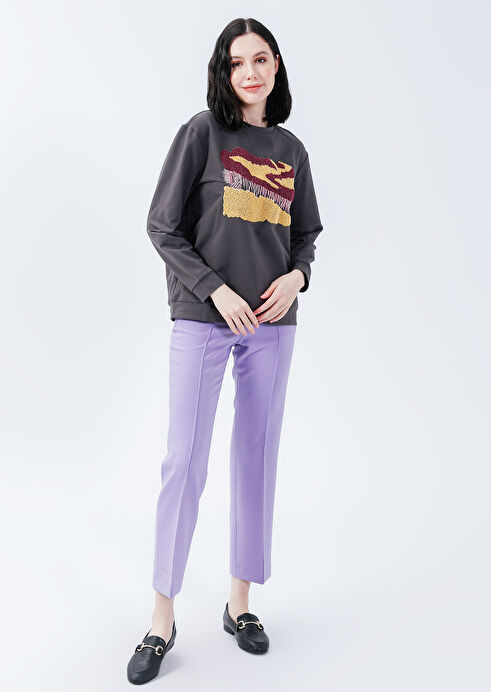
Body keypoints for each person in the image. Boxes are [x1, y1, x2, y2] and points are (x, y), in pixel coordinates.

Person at [127, 16, 323, 684]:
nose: (250, 71)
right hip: (202, 316)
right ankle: (162, 617)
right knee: (184, 461)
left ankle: (240, 603)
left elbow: (306, 235)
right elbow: (162, 226)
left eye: (261, 59)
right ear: (223, 70)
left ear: (276, 67)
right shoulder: (201, 134)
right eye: (237, 61)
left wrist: (297, 278)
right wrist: (215, 290)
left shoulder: (291, 149)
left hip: (273, 321)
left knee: (256, 458)